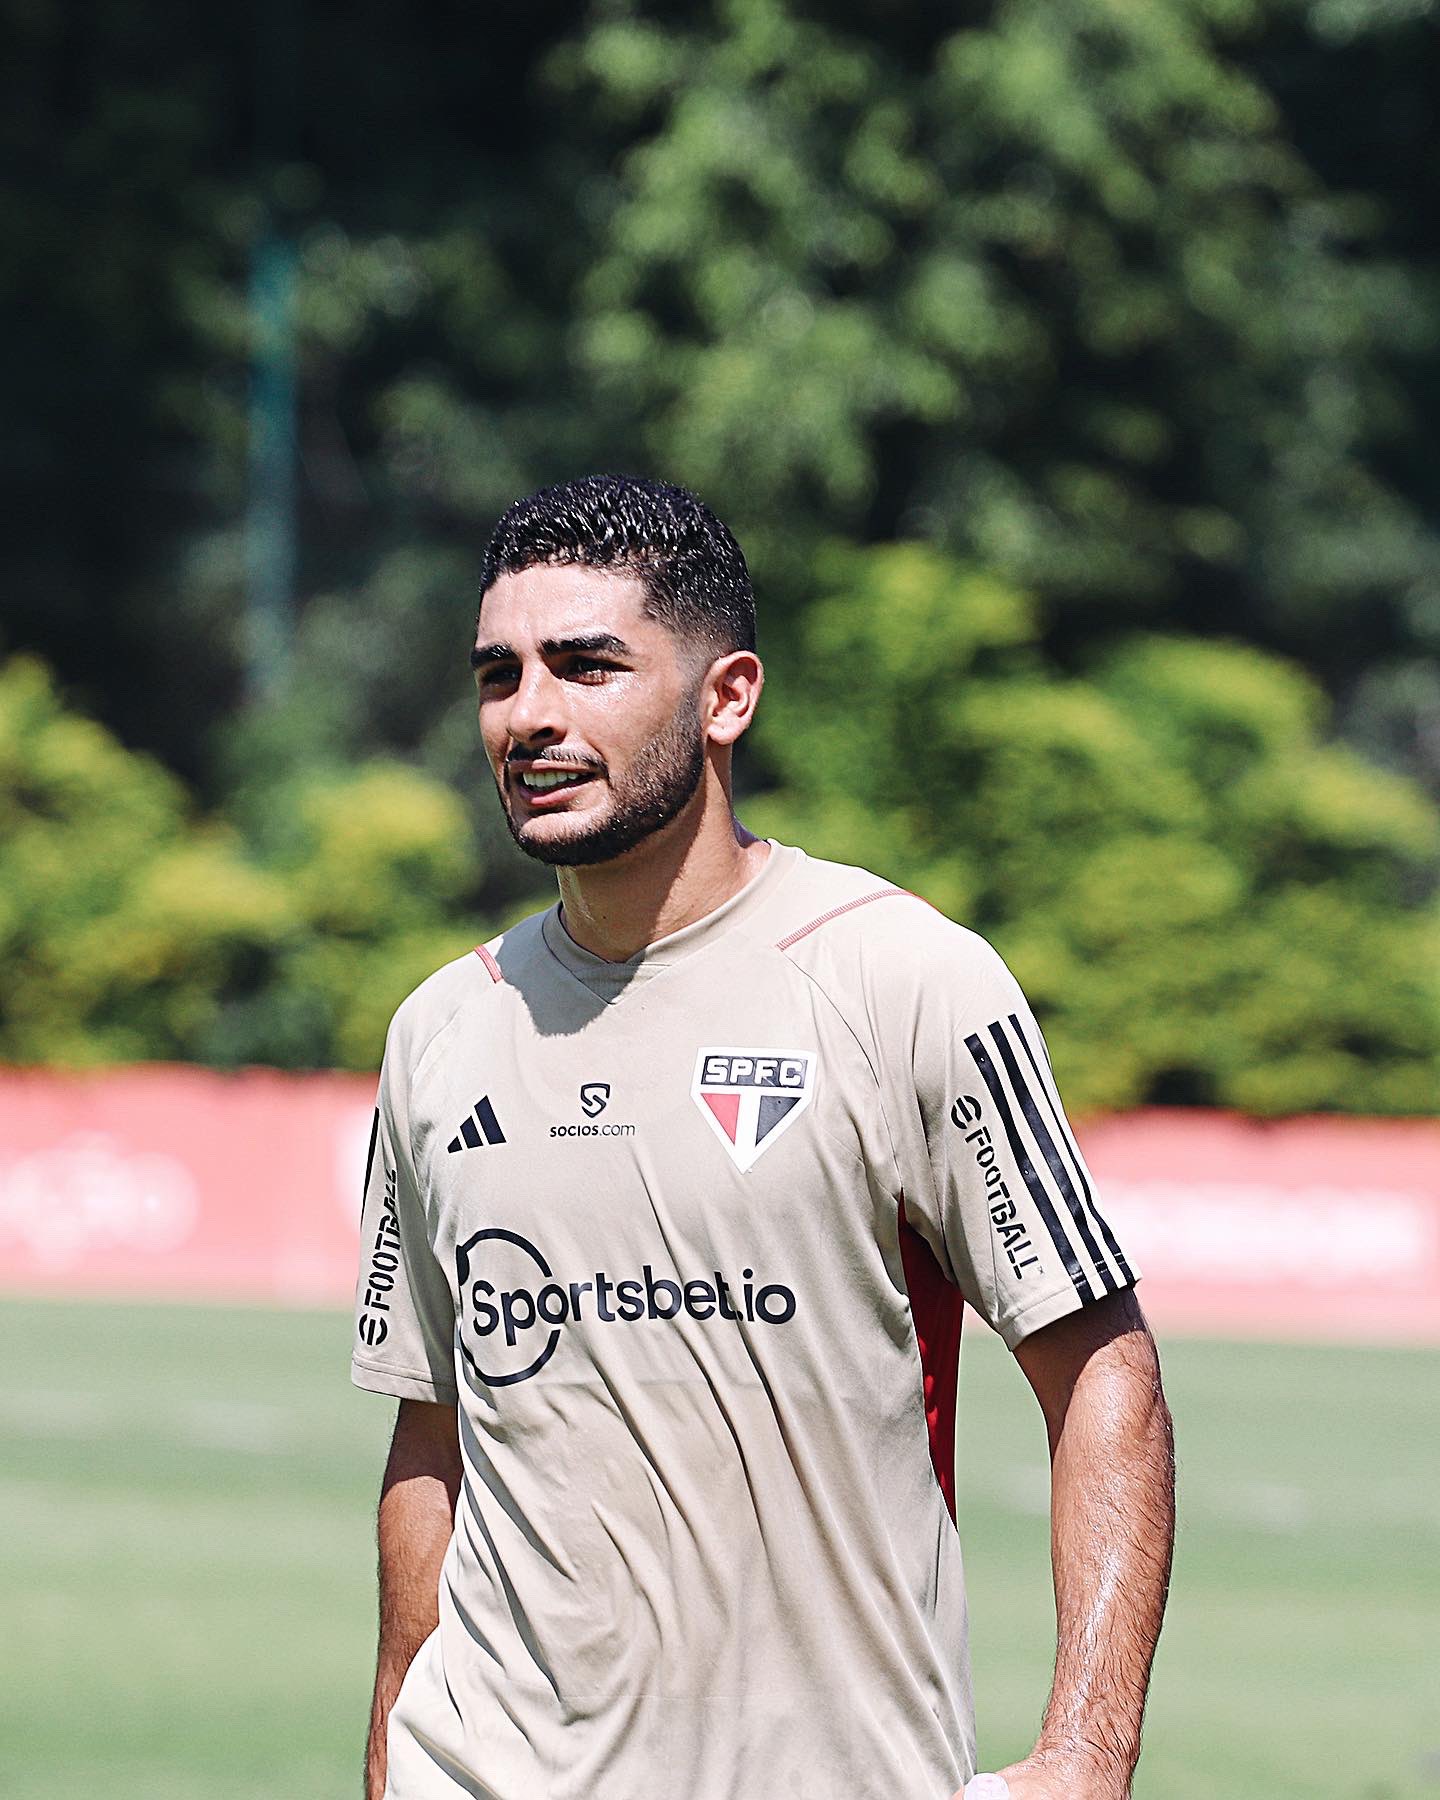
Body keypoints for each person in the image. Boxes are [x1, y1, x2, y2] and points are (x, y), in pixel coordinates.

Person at [352, 474, 1175, 1800]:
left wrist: (1088, 1752)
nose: (530, 716)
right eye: (499, 675)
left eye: (587, 665)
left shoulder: (906, 980)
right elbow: (431, 1443)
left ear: (727, 695)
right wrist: (393, 1763)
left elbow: (1104, 1375)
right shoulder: (440, 1032)